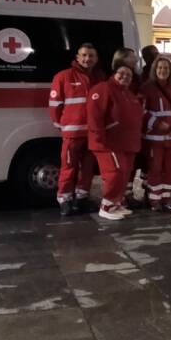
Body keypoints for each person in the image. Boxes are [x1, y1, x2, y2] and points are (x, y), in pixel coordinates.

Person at [49, 43, 105, 216]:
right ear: (77, 57)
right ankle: (65, 200)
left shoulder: (100, 78)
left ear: (96, 59)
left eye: (91, 56)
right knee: (68, 167)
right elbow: (54, 105)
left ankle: (82, 198)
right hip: (72, 133)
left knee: (87, 169)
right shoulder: (63, 76)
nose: (87, 59)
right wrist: (62, 126)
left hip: (92, 134)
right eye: (84, 55)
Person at [87, 64, 142, 221]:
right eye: (122, 73)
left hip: (124, 143)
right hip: (108, 142)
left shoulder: (128, 94)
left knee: (124, 173)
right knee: (115, 173)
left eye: (129, 75)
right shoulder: (103, 89)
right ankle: (106, 206)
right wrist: (99, 136)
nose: (125, 77)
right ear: (114, 74)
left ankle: (115, 203)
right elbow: (94, 113)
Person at [141, 57, 171, 211]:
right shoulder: (146, 89)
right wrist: (156, 123)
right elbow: (141, 111)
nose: (163, 71)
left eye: (166, 68)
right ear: (155, 70)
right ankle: (154, 200)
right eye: (160, 68)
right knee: (155, 169)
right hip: (155, 138)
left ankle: (168, 197)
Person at [112, 48, 145, 206]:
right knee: (120, 165)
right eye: (133, 58)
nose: (136, 60)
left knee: (131, 164)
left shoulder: (137, 78)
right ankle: (119, 196)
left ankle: (128, 193)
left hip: (134, 126)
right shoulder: (116, 77)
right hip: (120, 128)